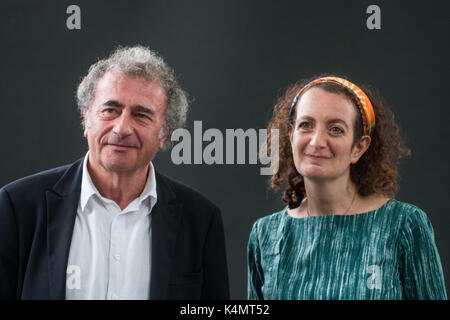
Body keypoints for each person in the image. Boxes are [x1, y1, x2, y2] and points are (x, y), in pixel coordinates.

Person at [0, 46, 229, 300]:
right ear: (86, 119)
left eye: (141, 115)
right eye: (110, 110)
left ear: (165, 134)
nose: (121, 128)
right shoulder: (18, 206)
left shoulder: (200, 220)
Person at [247, 75, 447, 300]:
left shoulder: (404, 225)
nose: (317, 141)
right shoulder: (265, 235)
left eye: (336, 129)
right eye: (306, 125)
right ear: (292, 136)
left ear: (359, 147)